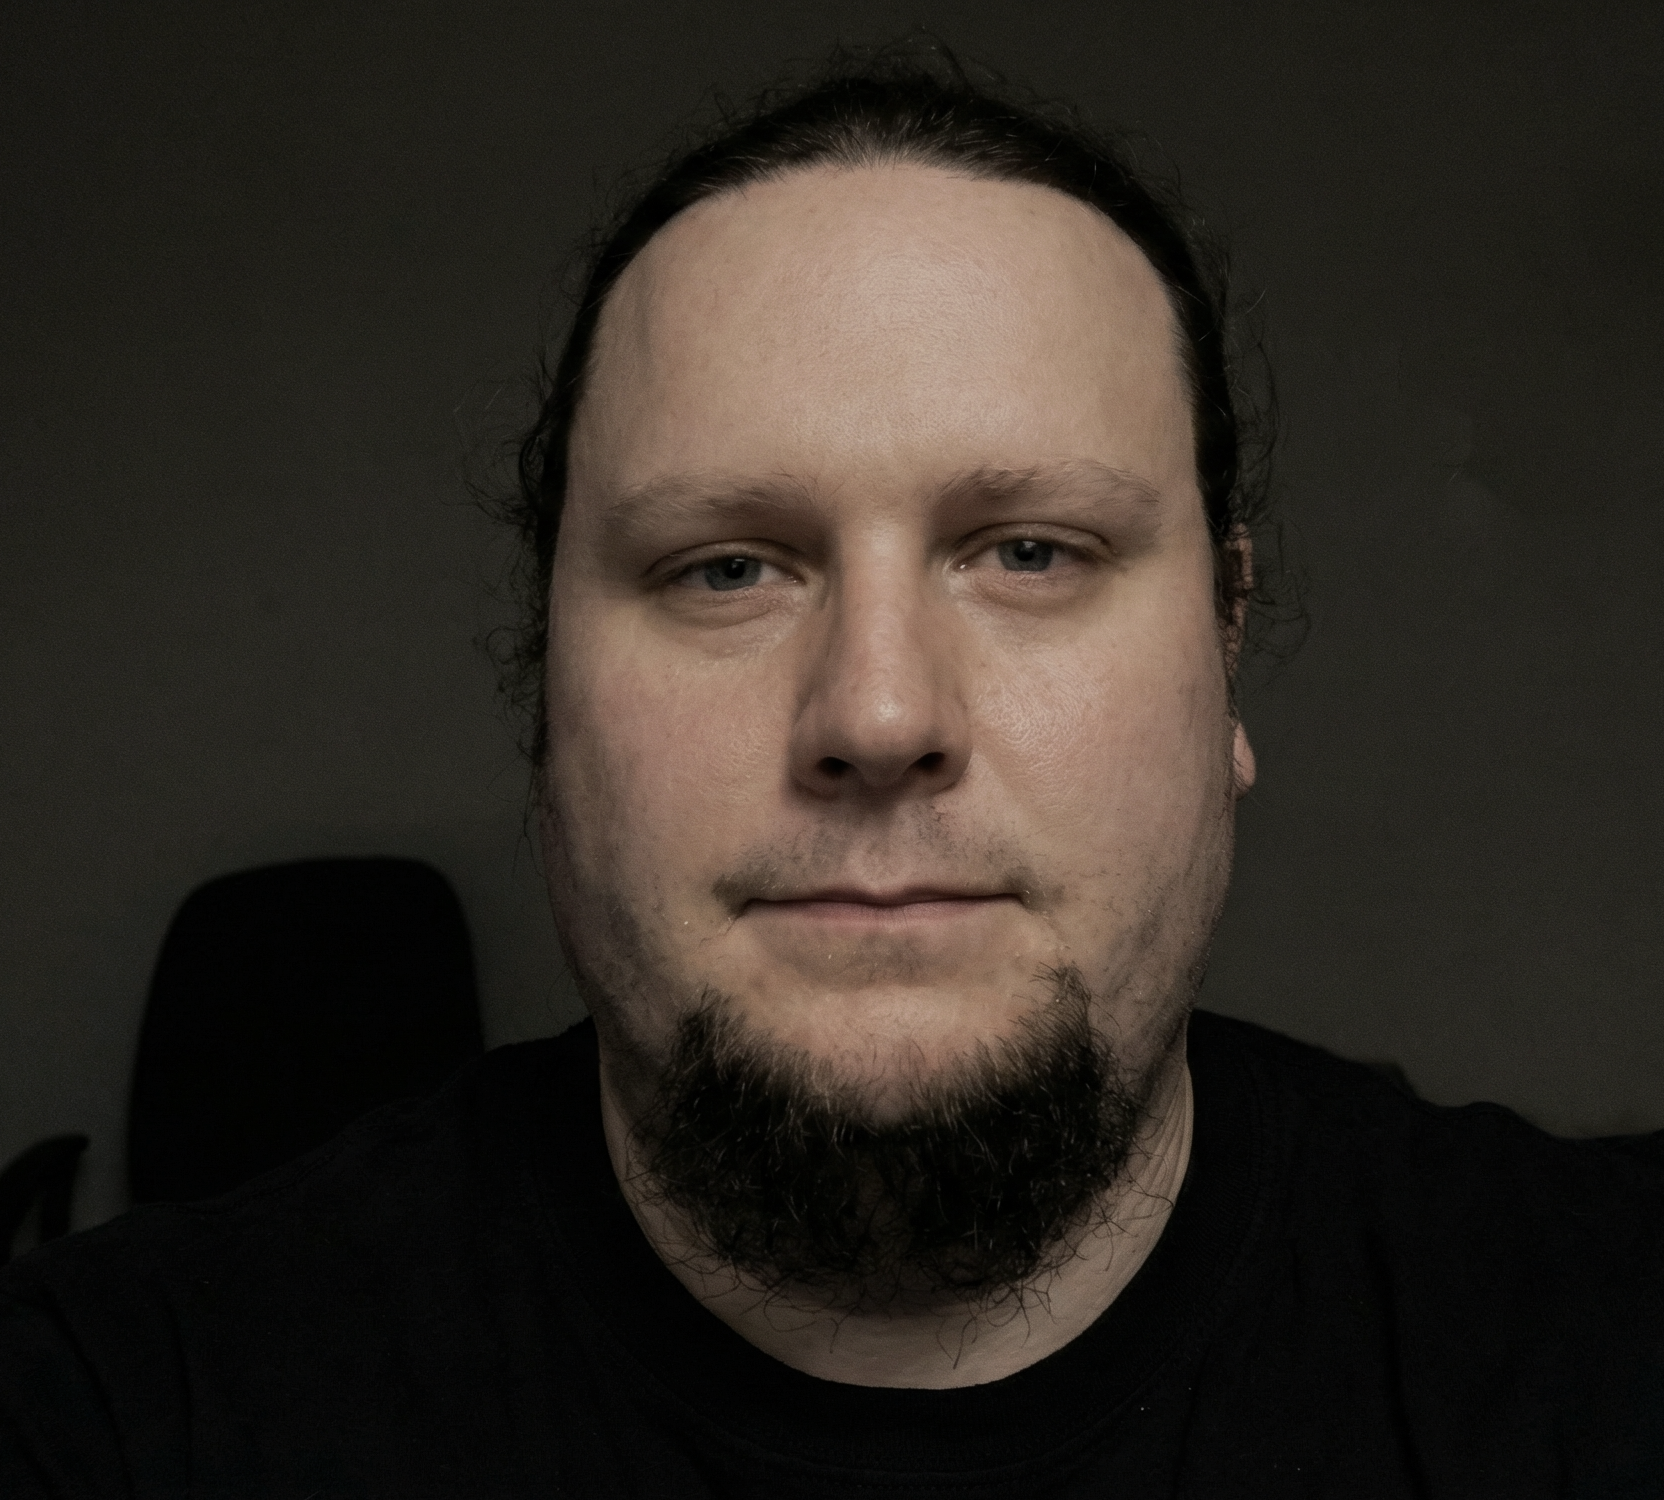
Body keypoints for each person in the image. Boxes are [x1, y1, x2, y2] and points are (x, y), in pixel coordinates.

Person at [3, 54, 1661, 1499]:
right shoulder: (115, 1416)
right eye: (728, 569)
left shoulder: (1602, 1344)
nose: (876, 712)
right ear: (546, 704)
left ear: (1226, 647)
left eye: (1029, 549)